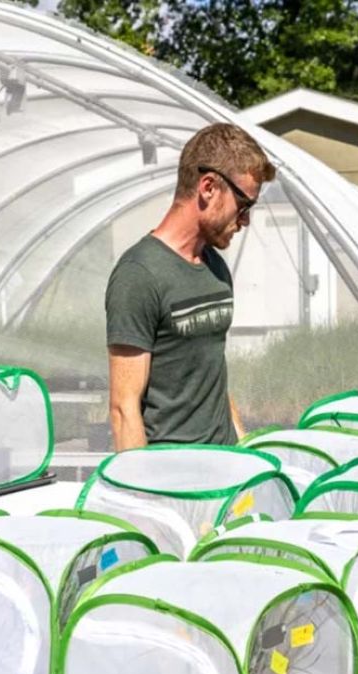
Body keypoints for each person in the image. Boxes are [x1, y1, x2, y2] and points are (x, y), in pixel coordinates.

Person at [105, 123, 276, 451]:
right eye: (244, 205)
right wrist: (141, 498)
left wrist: (245, 453)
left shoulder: (215, 268)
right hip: (176, 484)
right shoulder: (138, 275)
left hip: (227, 472)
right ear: (209, 187)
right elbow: (123, 410)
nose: (245, 221)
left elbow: (213, 378)